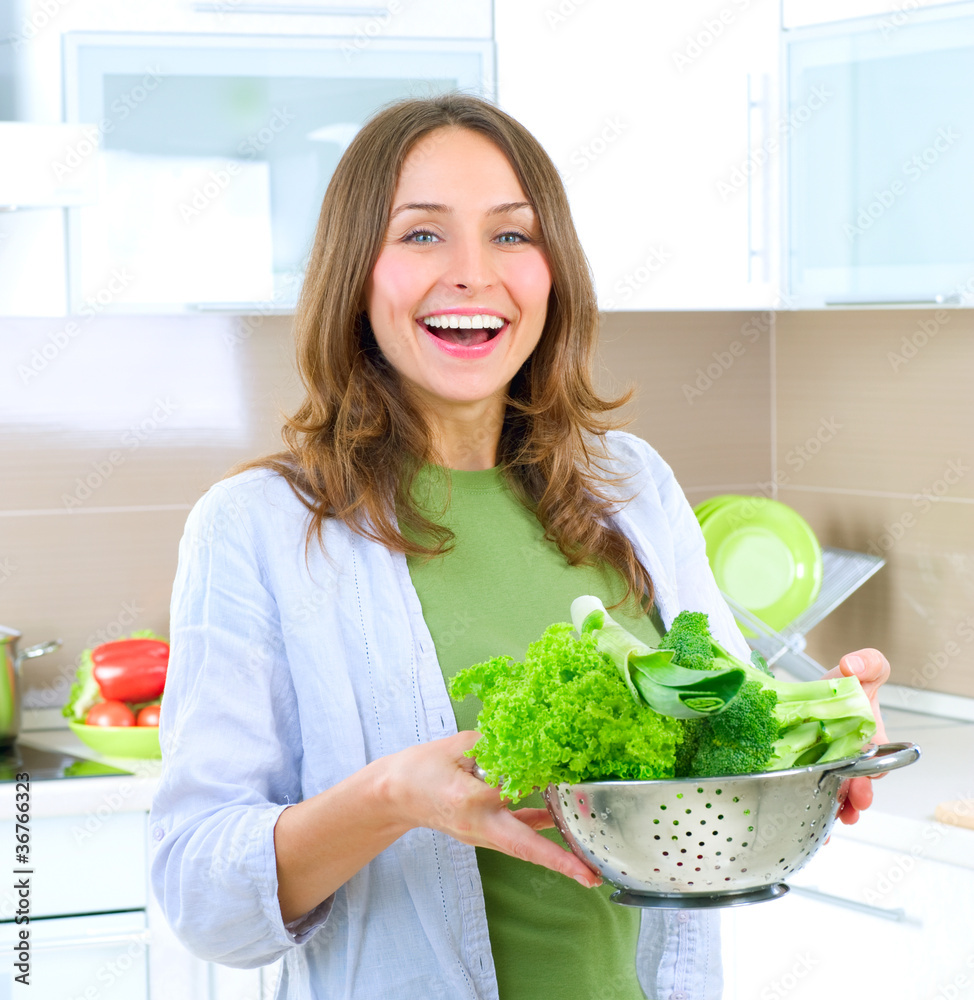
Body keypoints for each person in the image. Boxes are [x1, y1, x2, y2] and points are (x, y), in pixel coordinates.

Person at [149, 93, 891, 1000]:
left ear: (554, 270)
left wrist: (817, 738)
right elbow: (200, 894)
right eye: (421, 235)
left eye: (511, 235)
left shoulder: (630, 486)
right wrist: (390, 799)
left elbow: (714, 767)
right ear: (354, 271)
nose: (472, 274)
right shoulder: (259, 528)